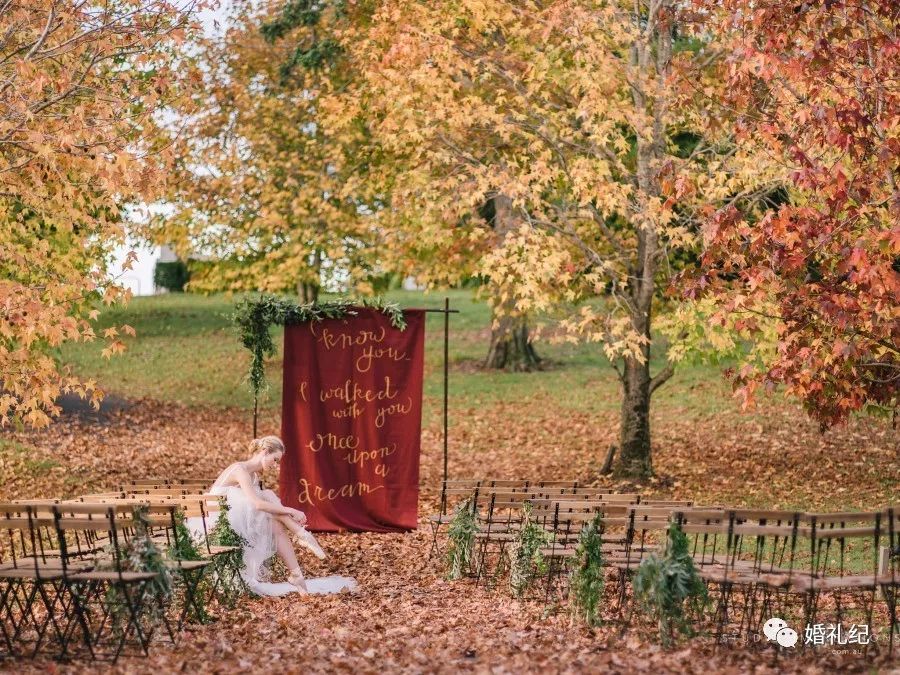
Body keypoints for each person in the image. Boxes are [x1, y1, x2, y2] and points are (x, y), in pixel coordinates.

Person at [202, 435, 356, 596]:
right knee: (266, 498)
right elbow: (257, 504)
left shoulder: (253, 476)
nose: (275, 466)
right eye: (275, 460)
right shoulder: (240, 470)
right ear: (264, 451)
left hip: (234, 520)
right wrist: (290, 510)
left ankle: (297, 575)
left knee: (274, 518)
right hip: (217, 522)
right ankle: (301, 533)